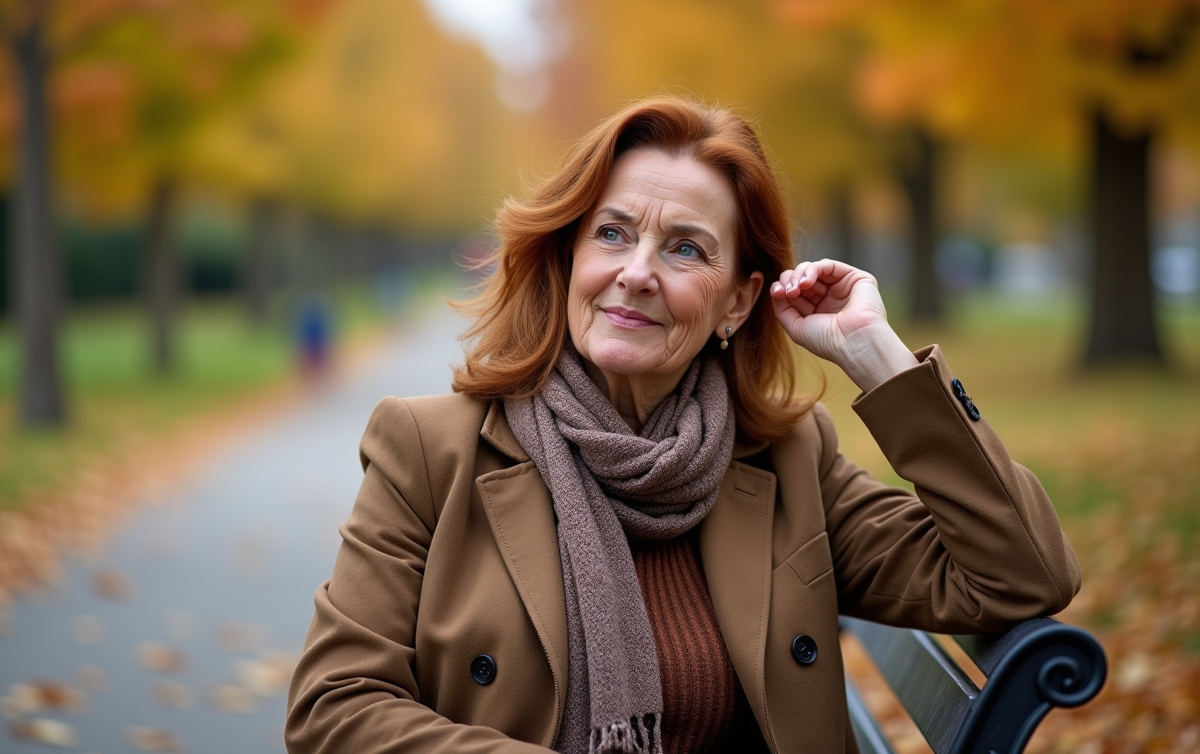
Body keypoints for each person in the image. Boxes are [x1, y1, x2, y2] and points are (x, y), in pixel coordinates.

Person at [286, 96, 1080, 754]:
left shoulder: (786, 461)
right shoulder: (433, 450)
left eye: (686, 249)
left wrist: (882, 362)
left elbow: (1020, 574)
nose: (636, 272)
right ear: (569, 257)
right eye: (613, 232)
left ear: (737, 301)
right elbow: (335, 708)